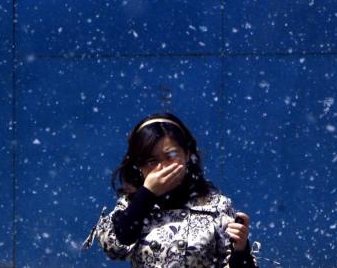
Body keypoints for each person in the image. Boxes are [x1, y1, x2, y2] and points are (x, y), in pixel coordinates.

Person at [84, 112, 258, 268]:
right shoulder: (132, 206)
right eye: (152, 161)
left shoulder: (215, 205)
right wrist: (147, 195)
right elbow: (114, 248)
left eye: (171, 156)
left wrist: (241, 249)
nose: (163, 168)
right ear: (139, 166)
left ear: (187, 154)